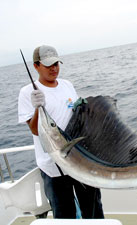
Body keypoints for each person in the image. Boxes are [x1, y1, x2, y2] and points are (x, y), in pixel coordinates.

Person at [18, 45, 104, 219]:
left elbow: (76, 116)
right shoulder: (27, 92)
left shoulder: (67, 85)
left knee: (93, 211)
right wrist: (37, 109)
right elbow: (35, 130)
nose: (54, 68)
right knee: (65, 216)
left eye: (56, 64)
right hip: (53, 167)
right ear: (36, 66)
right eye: (48, 65)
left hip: (80, 161)